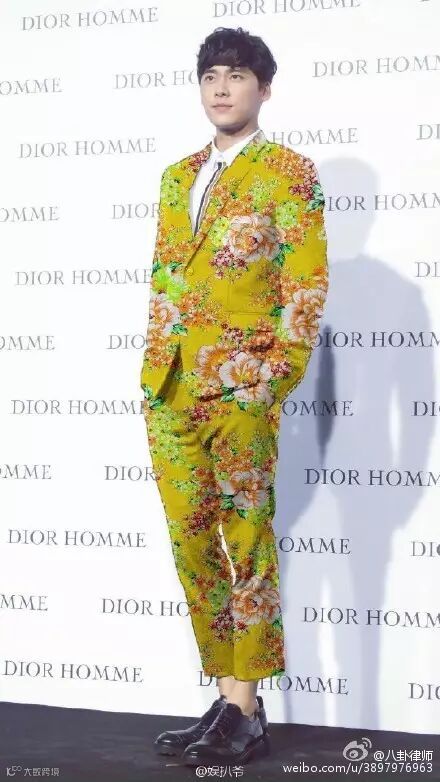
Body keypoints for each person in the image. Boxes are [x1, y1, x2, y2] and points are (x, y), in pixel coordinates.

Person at [140, 25, 328, 766]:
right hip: (170, 388)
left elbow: (305, 285)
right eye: (211, 76)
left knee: (246, 543)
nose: (222, 88)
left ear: (264, 88)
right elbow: (167, 279)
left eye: (237, 75)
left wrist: (270, 381)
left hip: (241, 387)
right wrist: (154, 370)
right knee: (194, 547)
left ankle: (244, 710)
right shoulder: (176, 177)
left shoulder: (289, 172)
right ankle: (229, 701)